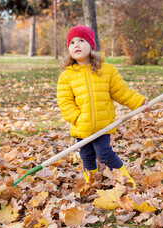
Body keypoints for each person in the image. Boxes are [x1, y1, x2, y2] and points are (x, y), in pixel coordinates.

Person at [57, 25, 148, 188]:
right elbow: (65, 102)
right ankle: (91, 182)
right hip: (82, 126)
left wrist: (138, 102)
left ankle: (125, 180)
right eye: (72, 42)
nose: (76, 45)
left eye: (81, 40)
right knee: (86, 155)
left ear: (91, 45)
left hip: (103, 124)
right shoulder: (67, 76)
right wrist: (76, 117)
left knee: (104, 153)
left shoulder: (107, 70)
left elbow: (122, 92)